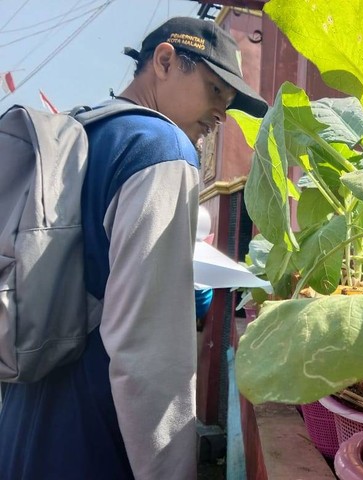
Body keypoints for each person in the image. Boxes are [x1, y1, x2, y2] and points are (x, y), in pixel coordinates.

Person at [0, 16, 268, 480]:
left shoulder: (84, 131)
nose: (221, 114)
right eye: (214, 91)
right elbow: (150, 355)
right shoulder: (161, 150)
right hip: (96, 441)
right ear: (165, 61)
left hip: (26, 425)